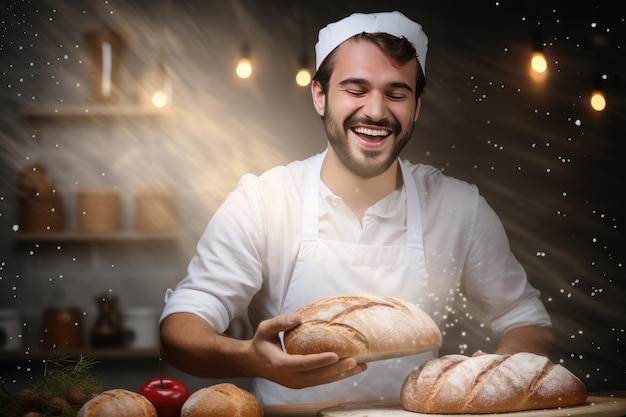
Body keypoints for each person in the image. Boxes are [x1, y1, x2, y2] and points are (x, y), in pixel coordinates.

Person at [159, 11, 555, 405]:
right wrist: (252, 359)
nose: (376, 111)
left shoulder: (458, 208)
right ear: (320, 95)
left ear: (416, 107)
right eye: (355, 89)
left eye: (396, 94)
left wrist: (497, 372)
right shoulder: (263, 201)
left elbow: (528, 321)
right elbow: (180, 332)